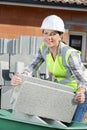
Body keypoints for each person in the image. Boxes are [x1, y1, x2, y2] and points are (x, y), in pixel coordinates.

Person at [11, 15, 87, 122]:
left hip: (82, 91)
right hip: (65, 91)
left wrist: (80, 93)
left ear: (60, 36)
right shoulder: (43, 49)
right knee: (58, 121)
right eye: (46, 33)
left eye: (53, 34)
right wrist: (21, 77)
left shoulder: (70, 54)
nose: (48, 38)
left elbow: (82, 81)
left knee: (73, 123)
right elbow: (32, 67)